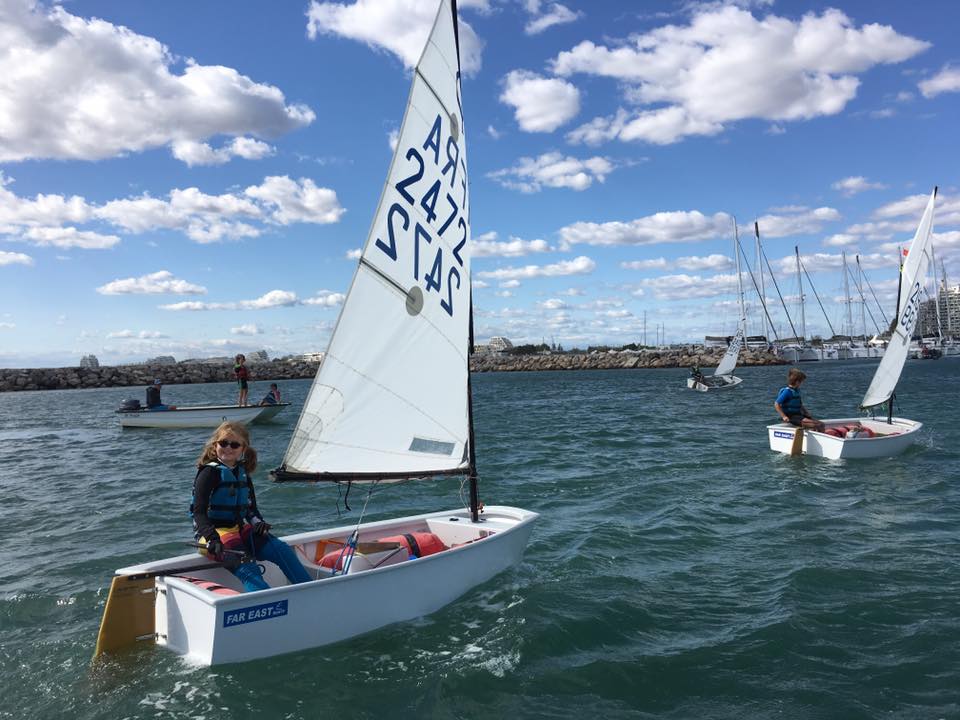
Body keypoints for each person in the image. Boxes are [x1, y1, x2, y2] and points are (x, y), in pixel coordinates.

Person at [190, 421, 312, 592]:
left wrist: (258, 523)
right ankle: (268, 608)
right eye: (223, 443)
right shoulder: (208, 473)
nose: (228, 448)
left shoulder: (242, 473)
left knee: (282, 550)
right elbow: (199, 513)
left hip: (238, 528)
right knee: (248, 567)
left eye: (234, 444)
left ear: (243, 449)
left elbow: (250, 509)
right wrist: (212, 538)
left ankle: (311, 591)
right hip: (211, 535)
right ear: (215, 445)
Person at [774, 367, 826, 432]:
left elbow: (800, 405)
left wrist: (806, 412)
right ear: (797, 382)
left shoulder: (797, 391)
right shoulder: (787, 392)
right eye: (801, 381)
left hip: (799, 415)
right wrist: (784, 416)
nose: (802, 383)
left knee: (821, 424)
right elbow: (776, 404)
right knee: (816, 425)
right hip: (791, 416)